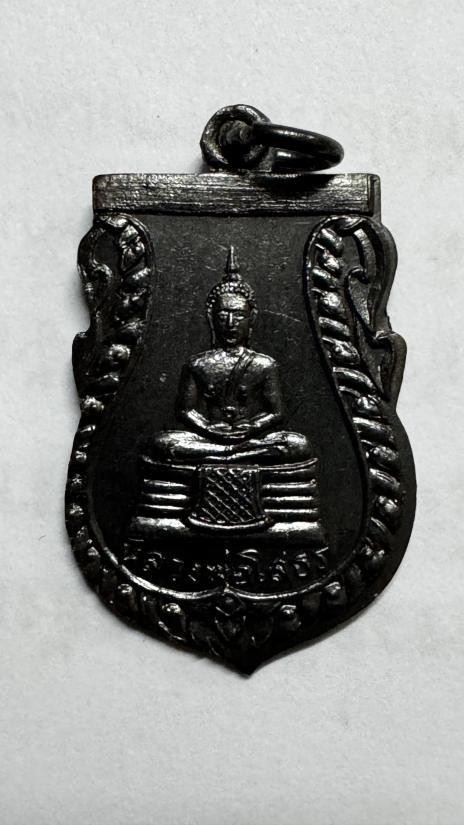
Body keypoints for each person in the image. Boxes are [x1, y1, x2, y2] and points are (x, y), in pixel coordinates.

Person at [150, 247, 311, 465]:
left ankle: (228, 454)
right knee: (163, 442)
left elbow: (275, 413)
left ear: (251, 319)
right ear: (211, 319)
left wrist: (252, 427)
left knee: (297, 444)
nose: (230, 323)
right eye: (223, 315)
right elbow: (185, 410)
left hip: (250, 438)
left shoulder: (264, 364)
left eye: (239, 315)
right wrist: (207, 427)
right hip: (208, 437)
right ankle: (231, 454)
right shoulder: (198, 364)